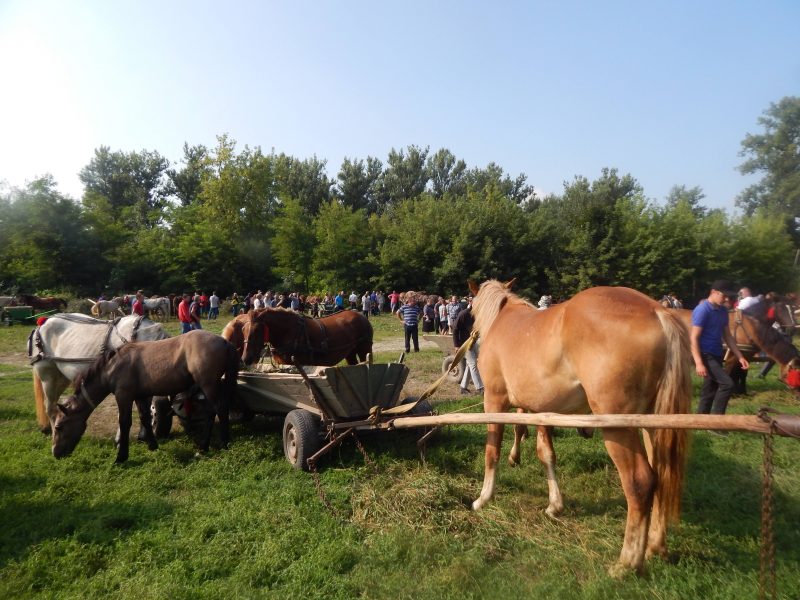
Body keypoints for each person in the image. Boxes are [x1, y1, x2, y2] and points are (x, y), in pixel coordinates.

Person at [691, 280, 749, 422]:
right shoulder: (702, 310)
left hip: (717, 353)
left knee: (710, 388)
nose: (727, 299)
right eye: (724, 296)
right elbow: (693, 338)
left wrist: (739, 356)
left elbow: (727, 336)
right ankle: (717, 422)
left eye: (728, 297)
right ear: (713, 292)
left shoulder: (722, 311)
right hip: (705, 354)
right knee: (727, 384)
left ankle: (701, 420)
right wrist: (699, 363)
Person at [453, 299, 483, 395]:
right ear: (471, 303)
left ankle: (463, 388)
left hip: (472, 342)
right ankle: (480, 388)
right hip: (464, 344)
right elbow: (455, 329)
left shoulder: (477, 315)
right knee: (473, 364)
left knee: (469, 366)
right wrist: (456, 345)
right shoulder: (464, 314)